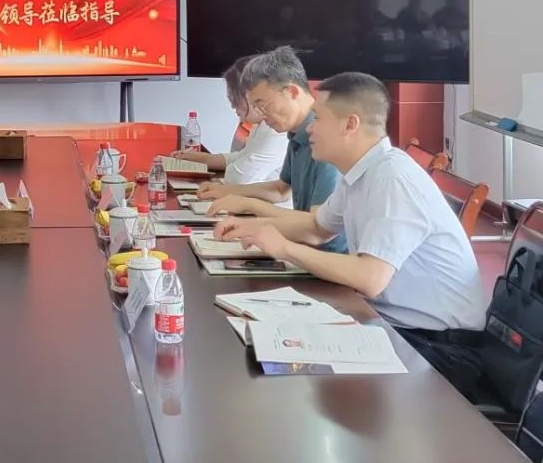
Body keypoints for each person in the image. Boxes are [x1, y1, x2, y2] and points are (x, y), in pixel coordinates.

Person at [215, 72, 487, 398]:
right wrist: (256, 226)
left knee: (297, 380)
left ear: (350, 124)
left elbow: (370, 278)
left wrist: (284, 247)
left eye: (319, 118)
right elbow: (317, 228)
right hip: (395, 325)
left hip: (440, 348)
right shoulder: (359, 173)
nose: (310, 128)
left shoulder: (392, 177)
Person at [203, 46, 346, 252]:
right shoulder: (296, 132)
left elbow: (317, 228)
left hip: (326, 258)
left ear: (292, 92)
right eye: (256, 106)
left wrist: (248, 205)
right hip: (302, 247)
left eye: (263, 104)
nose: (262, 114)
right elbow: (280, 190)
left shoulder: (325, 136)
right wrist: (228, 192)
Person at [173, 55, 289, 188]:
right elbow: (243, 157)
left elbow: (241, 178)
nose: (233, 106)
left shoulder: (276, 129)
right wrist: (201, 159)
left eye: (235, 98)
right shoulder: (261, 125)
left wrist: (218, 174)